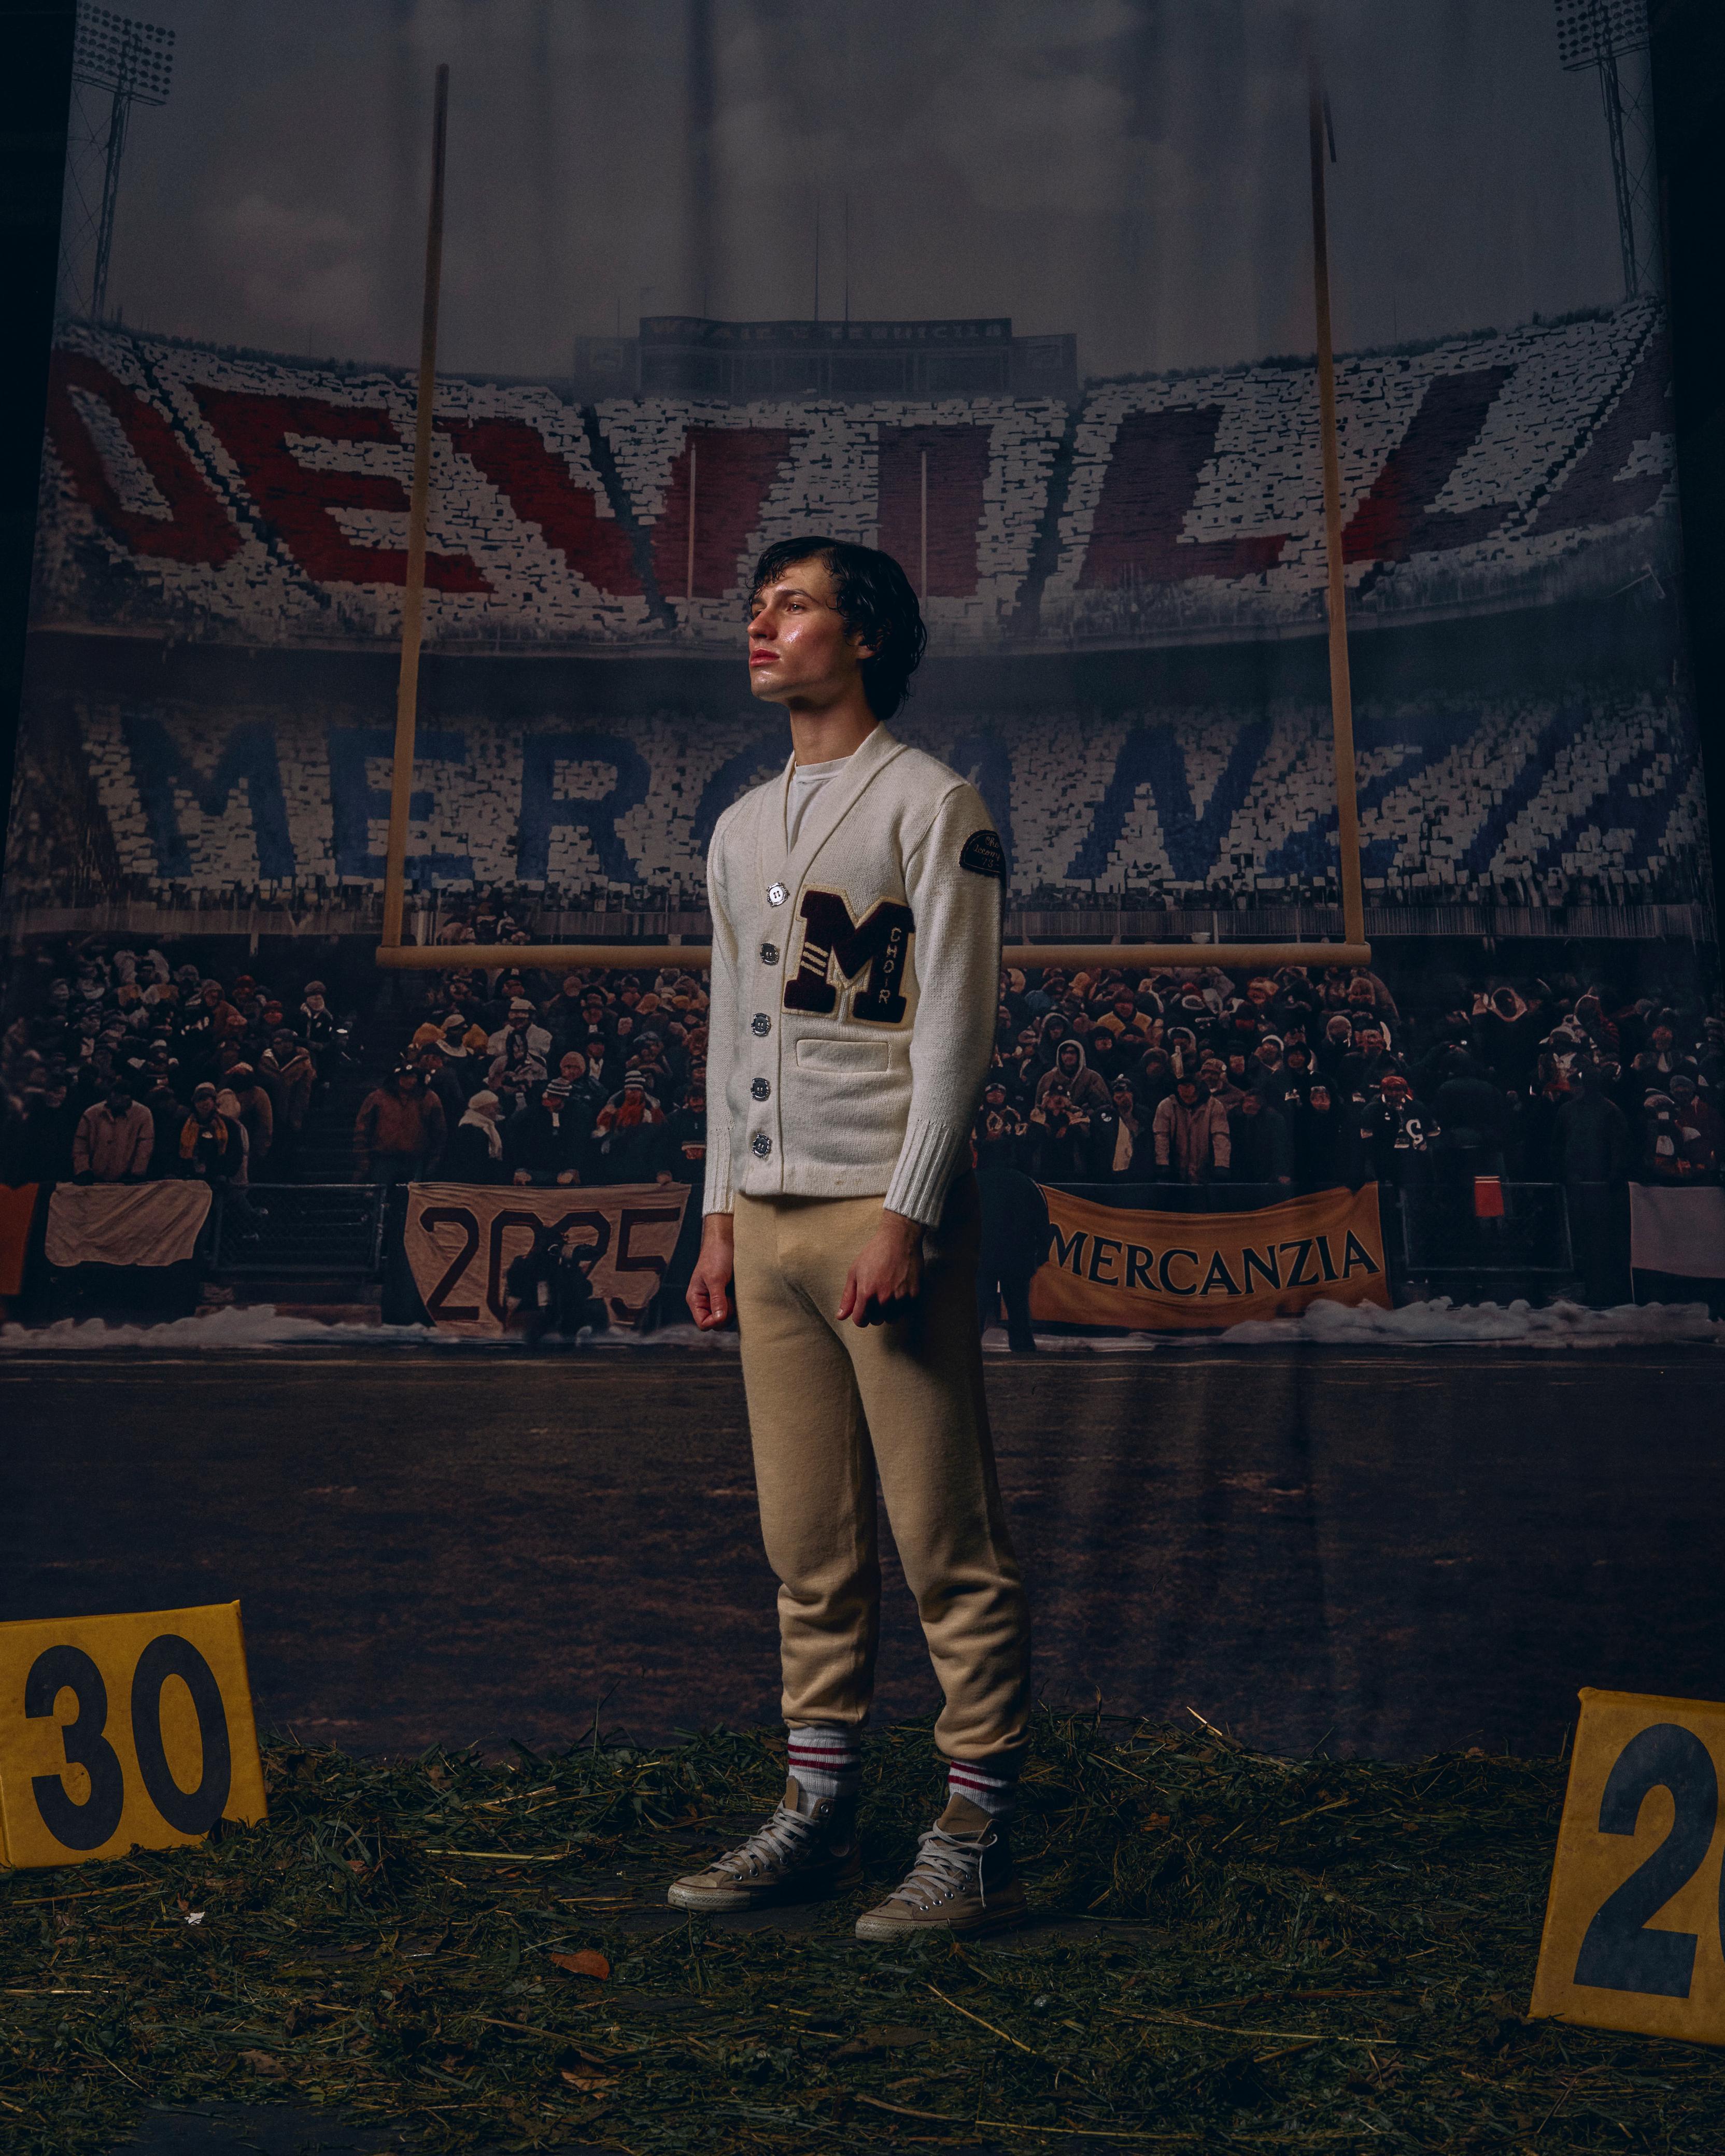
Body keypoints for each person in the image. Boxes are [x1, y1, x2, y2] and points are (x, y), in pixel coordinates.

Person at [672, 536, 1030, 1942]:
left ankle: (977, 1827)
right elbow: (730, 1036)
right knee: (805, 1544)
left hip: (882, 1215)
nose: (760, 624)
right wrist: (717, 1213)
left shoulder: (932, 803)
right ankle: (817, 1808)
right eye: (754, 604)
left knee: (943, 1535)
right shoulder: (737, 826)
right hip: (766, 1221)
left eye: (794, 604)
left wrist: (910, 1208)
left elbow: (956, 1029)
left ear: (864, 634)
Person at [71, 1083, 154, 1183]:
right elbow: (81, 1144)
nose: (118, 1102)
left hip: (127, 1177)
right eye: (116, 1098)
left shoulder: (142, 1114)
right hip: (95, 1176)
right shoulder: (92, 1114)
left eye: (122, 1098)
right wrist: (83, 1170)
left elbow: (145, 1147)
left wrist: (137, 1173)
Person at [444, 1087, 506, 1182]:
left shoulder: (489, 1126)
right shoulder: (469, 1129)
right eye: (495, 1108)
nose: (497, 1112)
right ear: (484, 1109)